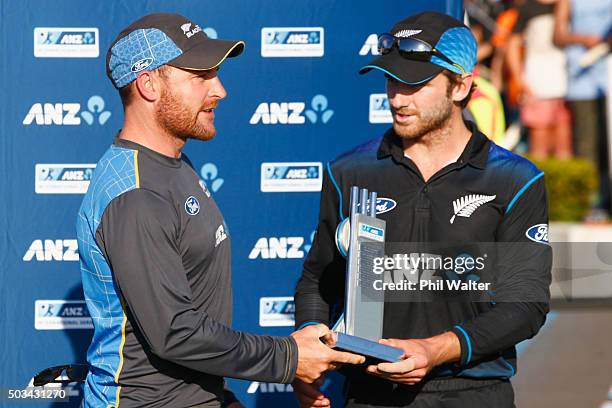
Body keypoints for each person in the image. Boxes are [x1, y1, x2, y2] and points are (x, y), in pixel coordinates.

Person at [76, 13, 364, 408]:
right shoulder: (136, 195)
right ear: (148, 85)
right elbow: (176, 332)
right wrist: (289, 359)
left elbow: (190, 320)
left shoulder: (172, 165)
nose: (221, 90)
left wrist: (222, 396)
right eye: (200, 76)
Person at [293, 11, 552, 408]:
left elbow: (526, 306)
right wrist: (310, 342)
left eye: (415, 83)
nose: (398, 96)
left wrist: (437, 349)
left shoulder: (516, 180)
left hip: (473, 393)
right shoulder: (348, 171)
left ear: (461, 86)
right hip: (370, 395)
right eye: (391, 79)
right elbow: (318, 279)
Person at [553, 0, 612, 217]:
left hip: (607, 79)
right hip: (581, 81)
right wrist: (583, 39)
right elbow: (558, 34)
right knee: (587, 144)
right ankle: (592, 204)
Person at [506, 0, 573, 159]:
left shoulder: (568, 6)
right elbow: (512, 45)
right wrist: (519, 79)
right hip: (537, 81)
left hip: (567, 81)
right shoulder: (527, 9)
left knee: (563, 135)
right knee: (540, 134)